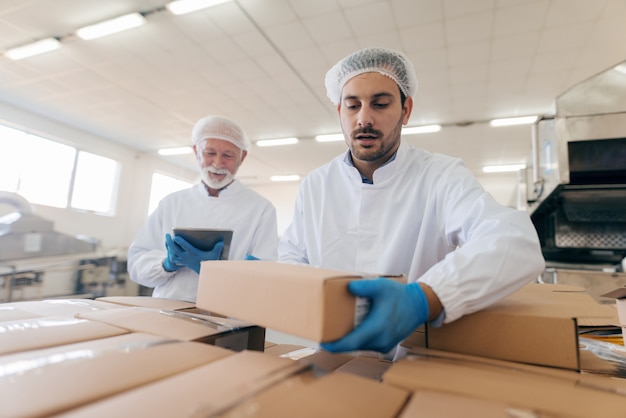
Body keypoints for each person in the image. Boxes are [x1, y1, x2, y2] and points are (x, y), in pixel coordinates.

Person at [278, 47, 545, 357]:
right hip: (326, 355)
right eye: (353, 106)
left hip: (410, 363)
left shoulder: (440, 175)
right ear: (340, 112)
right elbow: (292, 256)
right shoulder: (316, 185)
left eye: (380, 104)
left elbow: (513, 241)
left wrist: (425, 297)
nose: (364, 118)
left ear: (406, 110)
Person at [128, 115, 279, 302]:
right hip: (168, 310)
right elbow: (136, 266)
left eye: (228, 155)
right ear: (196, 151)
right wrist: (166, 264)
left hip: (228, 315)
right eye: (209, 153)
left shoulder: (260, 209)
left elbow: (265, 279)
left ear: (242, 156)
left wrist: (216, 272)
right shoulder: (171, 203)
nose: (217, 163)